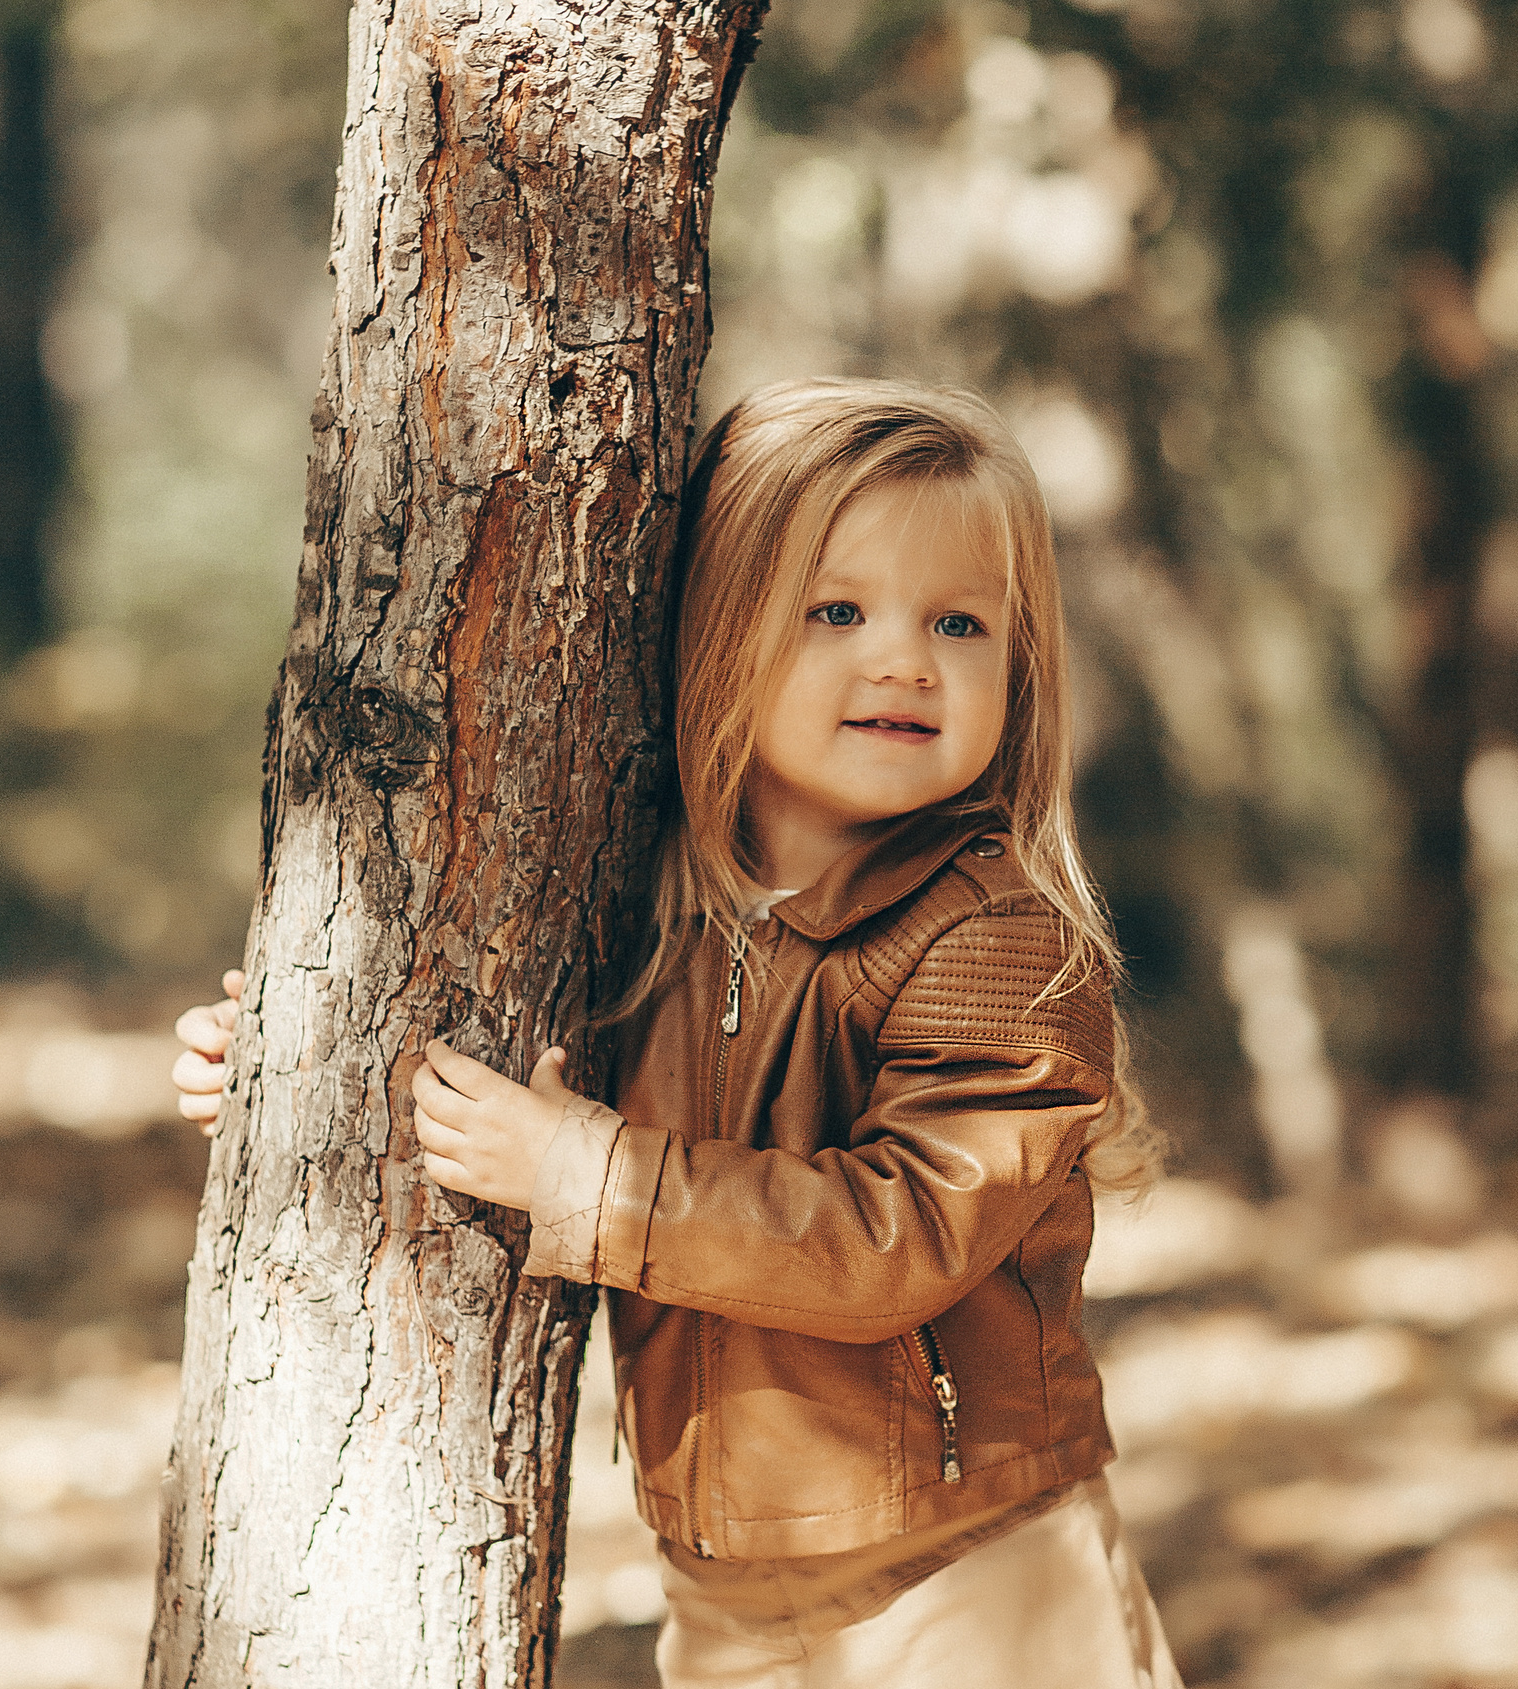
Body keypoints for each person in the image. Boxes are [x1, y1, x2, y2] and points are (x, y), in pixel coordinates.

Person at [171, 378, 1181, 1688]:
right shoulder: (653, 911)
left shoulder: (991, 936)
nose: (904, 658)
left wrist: (591, 1176)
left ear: (1018, 667)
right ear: (719, 635)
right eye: (837, 609)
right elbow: (488, 1098)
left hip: (971, 1575)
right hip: (722, 1589)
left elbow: (903, 1234)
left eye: (959, 622)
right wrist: (293, 1069)